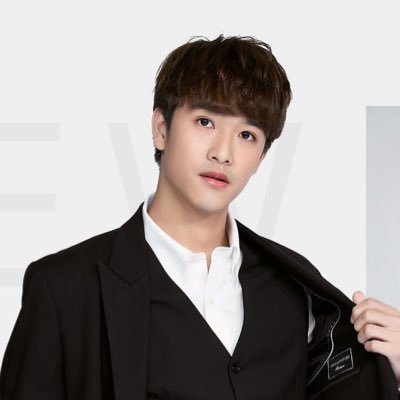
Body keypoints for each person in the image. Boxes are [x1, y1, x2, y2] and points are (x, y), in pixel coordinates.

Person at [0, 34, 399, 399]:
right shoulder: (64, 288)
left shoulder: (296, 292)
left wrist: (393, 370)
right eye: (205, 122)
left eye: (247, 135)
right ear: (161, 129)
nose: (223, 153)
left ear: (261, 157)